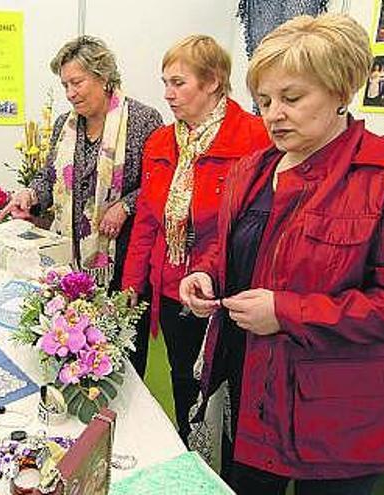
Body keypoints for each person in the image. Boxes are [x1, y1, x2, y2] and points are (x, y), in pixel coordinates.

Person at [180, 14, 384, 495]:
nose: (273, 115)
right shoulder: (253, 168)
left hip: (336, 412)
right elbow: (236, 250)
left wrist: (287, 313)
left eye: (292, 98)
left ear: (341, 92)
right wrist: (205, 274)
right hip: (253, 386)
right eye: (264, 101)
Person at [121, 35, 269, 445]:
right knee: (182, 374)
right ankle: (189, 447)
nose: (167, 94)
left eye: (178, 83)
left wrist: (208, 274)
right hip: (169, 288)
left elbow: (247, 230)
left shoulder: (255, 139)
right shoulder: (161, 142)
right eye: (164, 83)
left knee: (224, 387)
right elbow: (148, 222)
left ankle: (224, 460)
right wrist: (133, 283)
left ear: (214, 82)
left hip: (222, 293)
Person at [0, 36, 162, 371]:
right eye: (65, 85)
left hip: (122, 260)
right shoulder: (64, 125)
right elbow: (48, 178)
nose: (70, 93)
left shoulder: (144, 120)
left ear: (103, 77)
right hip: (72, 261)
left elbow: (159, 185)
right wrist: (30, 194)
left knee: (123, 352)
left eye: (77, 82)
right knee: (76, 348)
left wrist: (126, 205)